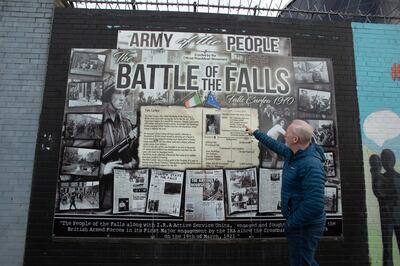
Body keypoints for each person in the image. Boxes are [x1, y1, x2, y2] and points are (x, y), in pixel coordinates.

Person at [245, 120, 326, 266]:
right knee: (304, 261)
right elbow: (275, 145)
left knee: (302, 262)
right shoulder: (293, 153)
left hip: (304, 226)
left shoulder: (311, 165)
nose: (284, 134)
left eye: (287, 132)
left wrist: (291, 223)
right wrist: (256, 133)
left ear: (295, 139)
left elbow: (315, 204)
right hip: (299, 224)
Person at [99, 84, 138, 211]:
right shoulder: (96, 122)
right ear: (109, 95)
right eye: (118, 93)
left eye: (124, 94)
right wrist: (104, 169)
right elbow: (78, 158)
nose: (122, 98)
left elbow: (132, 156)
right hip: (101, 200)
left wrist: (132, 163)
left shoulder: (126, 124)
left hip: (122, 196)